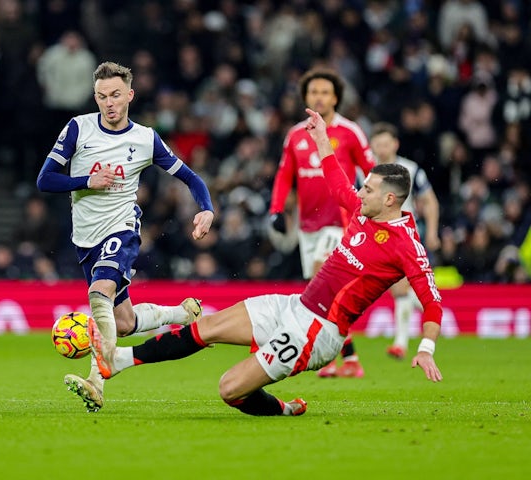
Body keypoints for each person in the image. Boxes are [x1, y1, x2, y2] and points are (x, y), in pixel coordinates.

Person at [89, 108, 443, 416]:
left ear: (391, 199)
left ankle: (285, 408)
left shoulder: (407, 245)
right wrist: (321, 137)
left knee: (229, 388)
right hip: (295, 305)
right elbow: (336, 185)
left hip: (318, 332)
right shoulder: (366, 212)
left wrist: (426, 349)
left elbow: (432, 303)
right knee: (207, 327)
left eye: (368, 189)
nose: (360, 192)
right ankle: (118, 360)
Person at [37, 61, 215, 412]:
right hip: (85, 238)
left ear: (130, 95)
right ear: (95, 98)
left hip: (122, 228)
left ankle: (96, 379)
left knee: (98, 292)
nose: (109, 103)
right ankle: (181, 314)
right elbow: (45, 180)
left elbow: (192, 178)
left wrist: (206, 207)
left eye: (116, 95)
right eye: (102, 96)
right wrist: (86, 180)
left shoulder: (146, 138)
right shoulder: (78, 128)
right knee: (124, 322)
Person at [268, 68, 375, 378]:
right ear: (305, 97)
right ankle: (349, 359)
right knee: (324, 292)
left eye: (325, 92)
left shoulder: (350, 132)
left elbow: (371, 170)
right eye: (313, 91)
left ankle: (328, 355)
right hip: (308, 224)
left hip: (340, 222)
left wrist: (374, 205)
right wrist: (277, 210)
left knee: (319, 280)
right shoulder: (295, 135)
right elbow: (284, 175)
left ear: (336, 97)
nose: (319, 96)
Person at [370, 122, 441, 359]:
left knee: (400, 287)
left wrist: (431, 232)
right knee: (399, 289)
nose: (381, 148)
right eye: (377, 144)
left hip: (404, 235)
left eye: (385, 143)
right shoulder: (366, 170)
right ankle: (432, 309)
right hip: (374, 237)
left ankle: (400, 343)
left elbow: (429, 201)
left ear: (395, 144)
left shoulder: (410, 169)